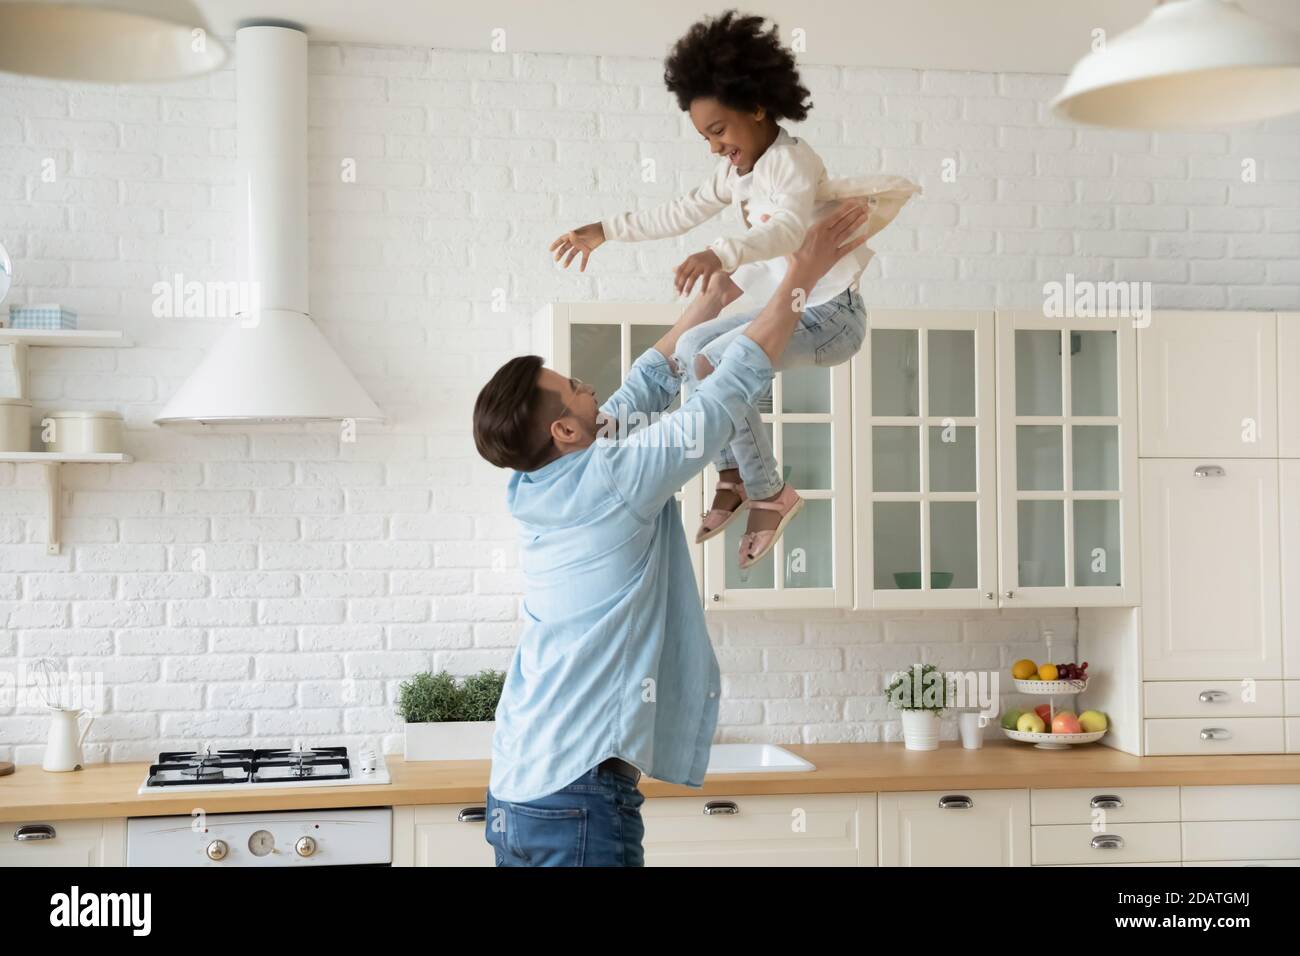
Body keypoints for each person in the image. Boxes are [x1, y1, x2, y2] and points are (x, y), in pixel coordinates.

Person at [474, 202, 871, 866]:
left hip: (518, 791)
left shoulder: (537, 485)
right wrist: (802, 275)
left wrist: (703, 309)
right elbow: (727, 393)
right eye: (573, 388)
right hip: (578, 798)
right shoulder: (614, 477)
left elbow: (639, 391)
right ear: (564, 433)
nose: (587, 384)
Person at [550, 11, 918, 568]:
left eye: (719, 132)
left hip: (829, 317)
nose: (716, 148)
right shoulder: (737, 173)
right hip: (794, 309)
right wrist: (607, 229)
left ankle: (769, 490)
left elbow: (789, 232)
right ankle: (733, 475)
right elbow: (681, 210)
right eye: (705, 137)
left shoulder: (793, 161)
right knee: (695, 349)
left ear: (757, 108)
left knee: (714, 364)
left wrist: (721, 252)